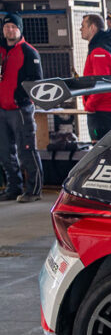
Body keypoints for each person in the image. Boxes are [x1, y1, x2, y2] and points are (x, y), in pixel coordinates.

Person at [0, 12, 43, 202]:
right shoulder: (1, 50)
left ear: (20, 29)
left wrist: (20, 95)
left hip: (21, 110)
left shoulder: (29, 52)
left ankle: (34, 190)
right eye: (6, 27)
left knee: (26, 150)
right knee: (4, 152)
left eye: (13, 27)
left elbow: (37, 82)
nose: (10, 30)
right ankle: (13, 188)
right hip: (2, 109)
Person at [79, 13, 111, 141]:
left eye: (83, 26)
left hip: (101, 111)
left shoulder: (99, 51)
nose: (80, 29)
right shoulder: (109, 46)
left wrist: (90, 106)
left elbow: (101, 84)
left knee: (100, 148)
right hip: (110, 109)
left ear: (92, 27)